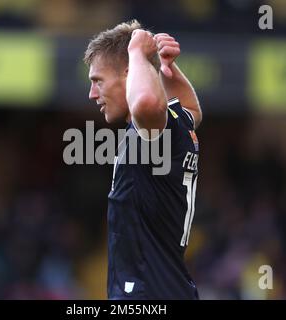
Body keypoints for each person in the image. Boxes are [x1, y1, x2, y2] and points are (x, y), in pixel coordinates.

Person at [84, 20, 202, 299]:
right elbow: (192, 109)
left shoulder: (148, 130)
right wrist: (166, 69)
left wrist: (137, 52)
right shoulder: (173, 123)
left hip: (146, 295)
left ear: (128, 74)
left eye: (98, 81)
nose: (92, 94)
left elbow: (147, 102)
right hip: (170, 286)